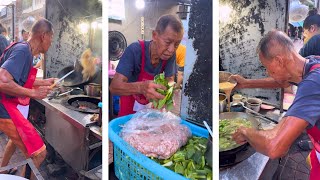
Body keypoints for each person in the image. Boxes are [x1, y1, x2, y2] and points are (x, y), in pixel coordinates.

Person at [231, 30, 320, 179]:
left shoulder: (313, 83)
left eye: (267, 67)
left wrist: (245, 132)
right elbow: (284, 80)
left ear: (279, 61)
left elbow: (275, 148)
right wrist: (246, 84)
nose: (267, 72)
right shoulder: (310, 63)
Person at [0, 18, 55, 179]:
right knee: (38, 153)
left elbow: (19, 79)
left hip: (6, 106)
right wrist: (33, 93)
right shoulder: (23, 51)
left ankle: (5, 170)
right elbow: (3, 80)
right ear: (44, 36)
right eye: (51, 37)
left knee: (30, 149)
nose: (51, 42)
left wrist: (43, 82)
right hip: (4, 107)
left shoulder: (24, 50)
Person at [110, 14, 182, 117]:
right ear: (154, 35)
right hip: (128, 113)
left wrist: (168, 95)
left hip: (150, 113)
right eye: (167, 42)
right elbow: (114, 87)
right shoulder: (134, 50)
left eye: (176, 44)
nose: (171, 50)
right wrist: (141, 87)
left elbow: (170, 80)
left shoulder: (170, 55)